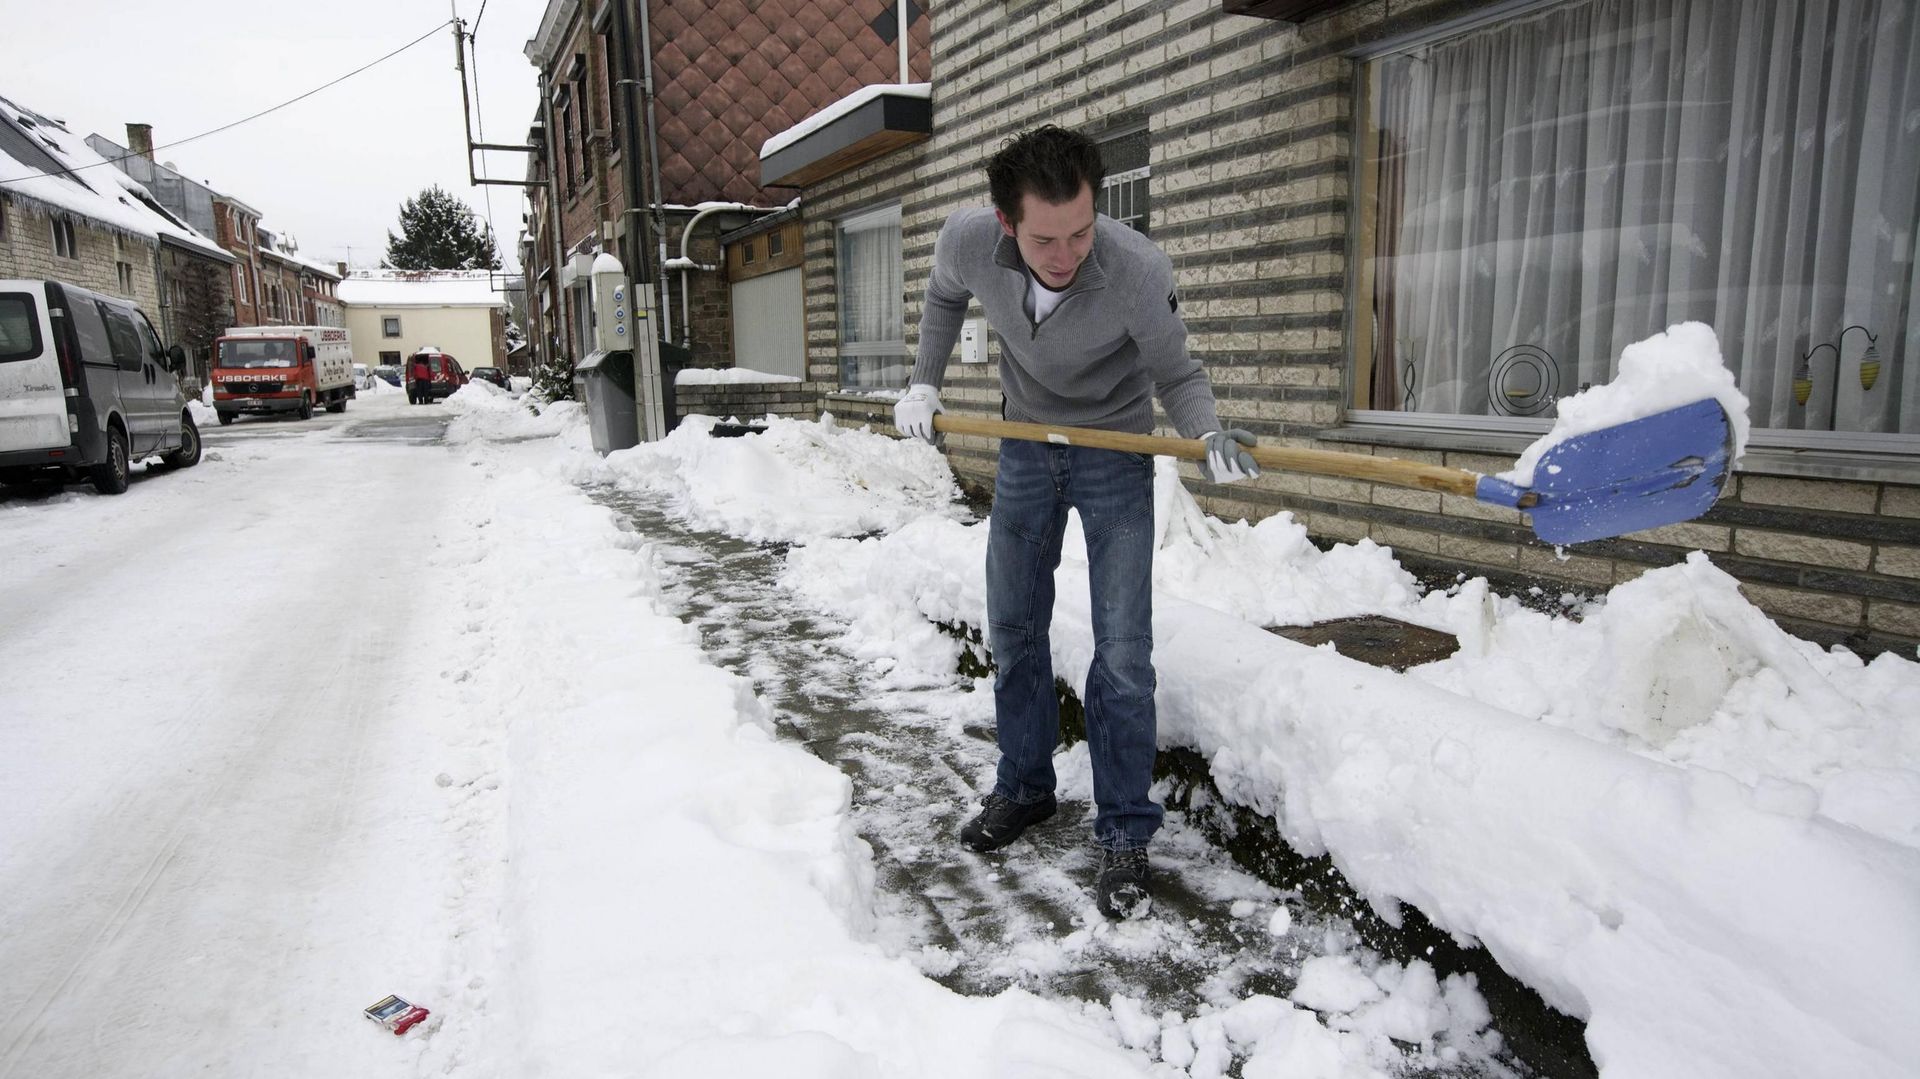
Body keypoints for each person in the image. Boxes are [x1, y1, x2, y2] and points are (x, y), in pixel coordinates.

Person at [895, 125, 1259, 919]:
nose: (1065, 255)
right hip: (1025, 442)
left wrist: (1206, 433)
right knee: (1015, 624)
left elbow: (1179, 372)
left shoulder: (1135, 270)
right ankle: (1024, 787)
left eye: (1081, 232)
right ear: (1005, 225)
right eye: (1044, 238)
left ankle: (1125, 829)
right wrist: (924, 381)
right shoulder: (966, 239)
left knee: (1123, 650)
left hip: (1113, 448)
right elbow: (942, 296)